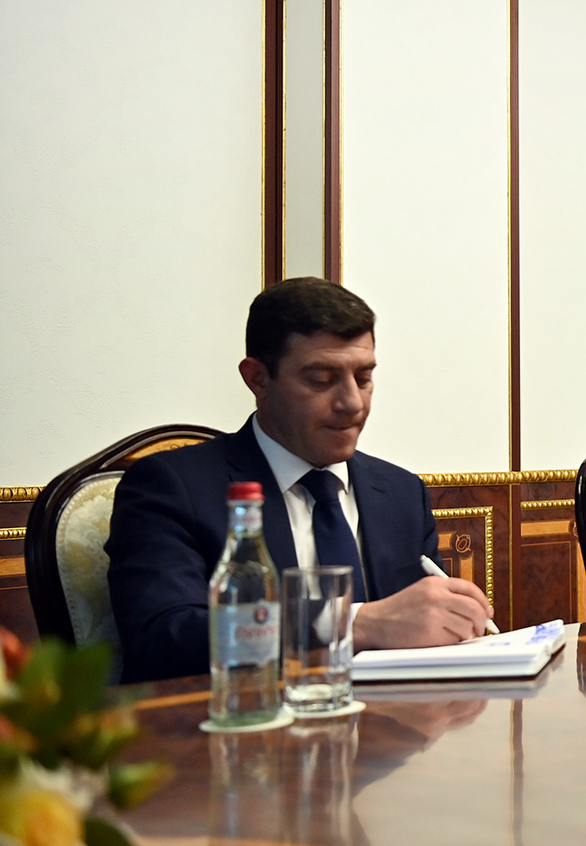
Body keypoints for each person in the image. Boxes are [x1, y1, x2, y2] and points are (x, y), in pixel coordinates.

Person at [107, 278, 494, 684]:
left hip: (395, 719)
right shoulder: (173, 487)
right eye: (322, 379)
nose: (352, 403)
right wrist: (353, 623)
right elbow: (163, 640)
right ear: (258, 378)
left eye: (364, 378)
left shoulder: (401, 493)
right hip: (248, 718)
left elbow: (420, 637)